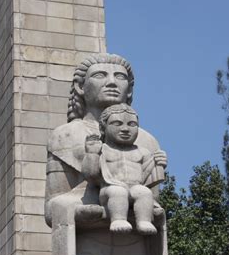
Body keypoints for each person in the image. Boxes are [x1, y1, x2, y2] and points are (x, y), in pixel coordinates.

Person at [45, 53, 167, 227]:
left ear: (130, 88)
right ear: (80, 86)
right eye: (100, 75)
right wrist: (80, 209)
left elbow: (154, 205)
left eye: (120, 77)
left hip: (135, 242)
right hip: (88, 243)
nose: (112, 82)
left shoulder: (147, 141)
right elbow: (52, 208)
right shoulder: (65, 136)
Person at [83, 104, 165, 235]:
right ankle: (118, 219)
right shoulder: (103, 149)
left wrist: (159, 163)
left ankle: (144, 221)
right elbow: (91, 175)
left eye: (132, 124)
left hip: (135, 187)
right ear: (104, 127)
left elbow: (150, 175)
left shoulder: (142, 152)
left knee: (144, 192)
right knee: (118, 192)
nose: (125, 129)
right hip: (109, 189)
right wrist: (92, 154)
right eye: (117, 124)